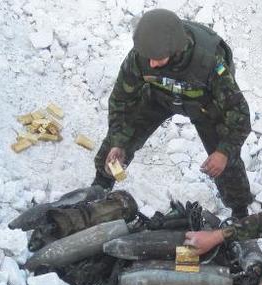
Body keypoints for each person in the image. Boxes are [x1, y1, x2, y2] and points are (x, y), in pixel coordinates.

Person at [92, 8, 253, 219]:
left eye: (158, 58)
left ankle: (240, 211)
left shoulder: (209, 62)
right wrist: (118, 142)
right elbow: (121, 100)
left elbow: (240, 115)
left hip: (205, 104)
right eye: (148, 58)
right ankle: (100, 185)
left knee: (225, 159)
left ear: (176, 50)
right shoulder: (142, 55)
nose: (151, 64)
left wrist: (223, 152)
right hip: (159, 97)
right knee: (119, 138)